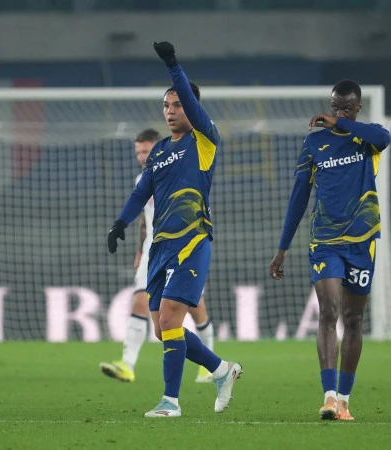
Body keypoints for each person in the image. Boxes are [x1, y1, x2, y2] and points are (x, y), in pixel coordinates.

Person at [107, 42, 242, 418]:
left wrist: (173, 66)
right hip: (160, 247)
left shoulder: (205, 140)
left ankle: (170, 402)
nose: (169, 111)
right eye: (165, 106)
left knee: (170, 320)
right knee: (162, 329)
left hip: (192, 241)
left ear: (192, 108)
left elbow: (189, 100)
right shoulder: (160, 151)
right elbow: (141, 193)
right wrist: (120, 222)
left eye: (177, 105)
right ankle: (222, 370)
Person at [269, 80, 391, 421]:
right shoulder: (314, 144)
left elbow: (384, 137)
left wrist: (341, 123)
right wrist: (282, 248)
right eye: (335, 107)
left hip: (361, 240)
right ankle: (329, 397)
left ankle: (345, 401)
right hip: (324, 240)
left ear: (358, 108)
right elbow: (299, 197)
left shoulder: (366, 139)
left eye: (347, 108)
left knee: (354, 318)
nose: (339, 113)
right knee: (329, 311)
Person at [100, 128, 216, 384]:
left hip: (185, 248)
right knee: (139, 302)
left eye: (145, 151)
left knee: (196, 309)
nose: (141, 157)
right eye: (138, 153)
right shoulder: (142, 178)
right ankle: (127, 364)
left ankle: (209, 365)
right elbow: (145, 217)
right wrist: (140, 250)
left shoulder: (182, 170)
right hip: (153, 252)